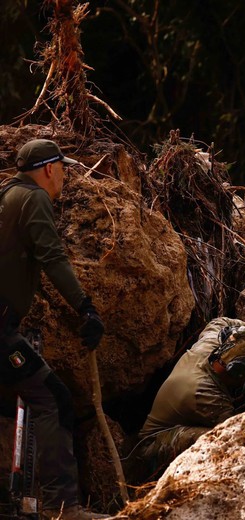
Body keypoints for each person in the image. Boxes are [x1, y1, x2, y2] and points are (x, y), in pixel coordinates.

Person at [0, 139, 108, 520]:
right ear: (49, 168)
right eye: (62, 166)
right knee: (52, 399)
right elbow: (52, 257)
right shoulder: (33, 200)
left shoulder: (7, 196)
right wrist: (86, 308)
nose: (63, 174)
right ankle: (61, 507)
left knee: (12, 401)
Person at [130, 317, 245, 481]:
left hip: (180, 419)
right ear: (237, 371)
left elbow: (220, 322)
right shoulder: (205, 394)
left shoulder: (210, 343)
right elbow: (239, 433)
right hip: (151, 446)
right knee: (217, 441)